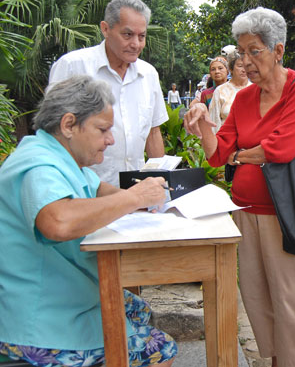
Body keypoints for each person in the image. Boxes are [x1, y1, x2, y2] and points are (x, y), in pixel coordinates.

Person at [0, 75, 177, 367]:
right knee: (159, 352)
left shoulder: (58, 156)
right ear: (69, 125)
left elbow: (96, 191)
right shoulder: (37, 164)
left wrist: (140, 199)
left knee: (138, 309)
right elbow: (58, 221)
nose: (111, 139)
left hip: (59, 293)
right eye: (102, 129)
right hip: (37, 316)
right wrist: (133, 199)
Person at [183, 7, 295, 367]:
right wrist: (203, 120)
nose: (244, 61)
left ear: (277, 51)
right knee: (258, 298)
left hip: (286, 213)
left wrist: (241, 155)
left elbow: (283, 148)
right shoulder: (243, 98)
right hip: (246, 210)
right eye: (240, 52)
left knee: (291, 300)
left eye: (253, 51)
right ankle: (277, 361)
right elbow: (217, 154)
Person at [49, 0, 167, 187]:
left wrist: (161, 183)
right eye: (127, 35)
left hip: (136, 196)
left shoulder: (149, 74)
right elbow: (53, 133)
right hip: (85, 192)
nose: (136, 44)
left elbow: (153, 133)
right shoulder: (72, 66)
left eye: (142, 36)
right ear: (105, 29)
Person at [209, 50, 251, 132]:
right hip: (226, 141)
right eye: (240, 66)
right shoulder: (220, 91)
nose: (244, 69)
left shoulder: (256, 89)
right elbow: (213, 123)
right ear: (231, 69)